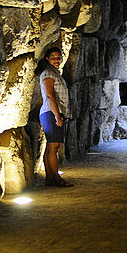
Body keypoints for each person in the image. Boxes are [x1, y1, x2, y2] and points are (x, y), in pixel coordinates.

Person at [37, 45, 72, 187]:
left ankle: (50, 177)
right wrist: (58, 116)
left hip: (52, 113)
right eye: (53, 58)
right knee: (54, 146)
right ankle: (56, 178)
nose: (56, 60)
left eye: (58, 58)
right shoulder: (48, 74)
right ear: (47, 59)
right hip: (51, 113)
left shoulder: (54, 73)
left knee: (51, 146)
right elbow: (49, 96)